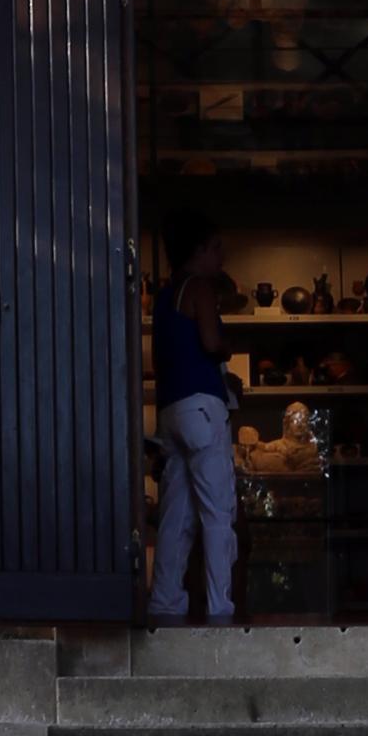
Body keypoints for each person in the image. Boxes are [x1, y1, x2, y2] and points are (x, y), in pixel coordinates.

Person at [148, 229, 240, 624]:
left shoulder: (164, 296)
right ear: (200, 248)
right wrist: (225, 349)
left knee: (175, 515)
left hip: (171, 411)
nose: (222, 256)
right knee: (218, 511)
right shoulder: (200, 286)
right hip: (203, 409)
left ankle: (165, 601)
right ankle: (221, 607)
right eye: (217, 247)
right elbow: (210, 341)